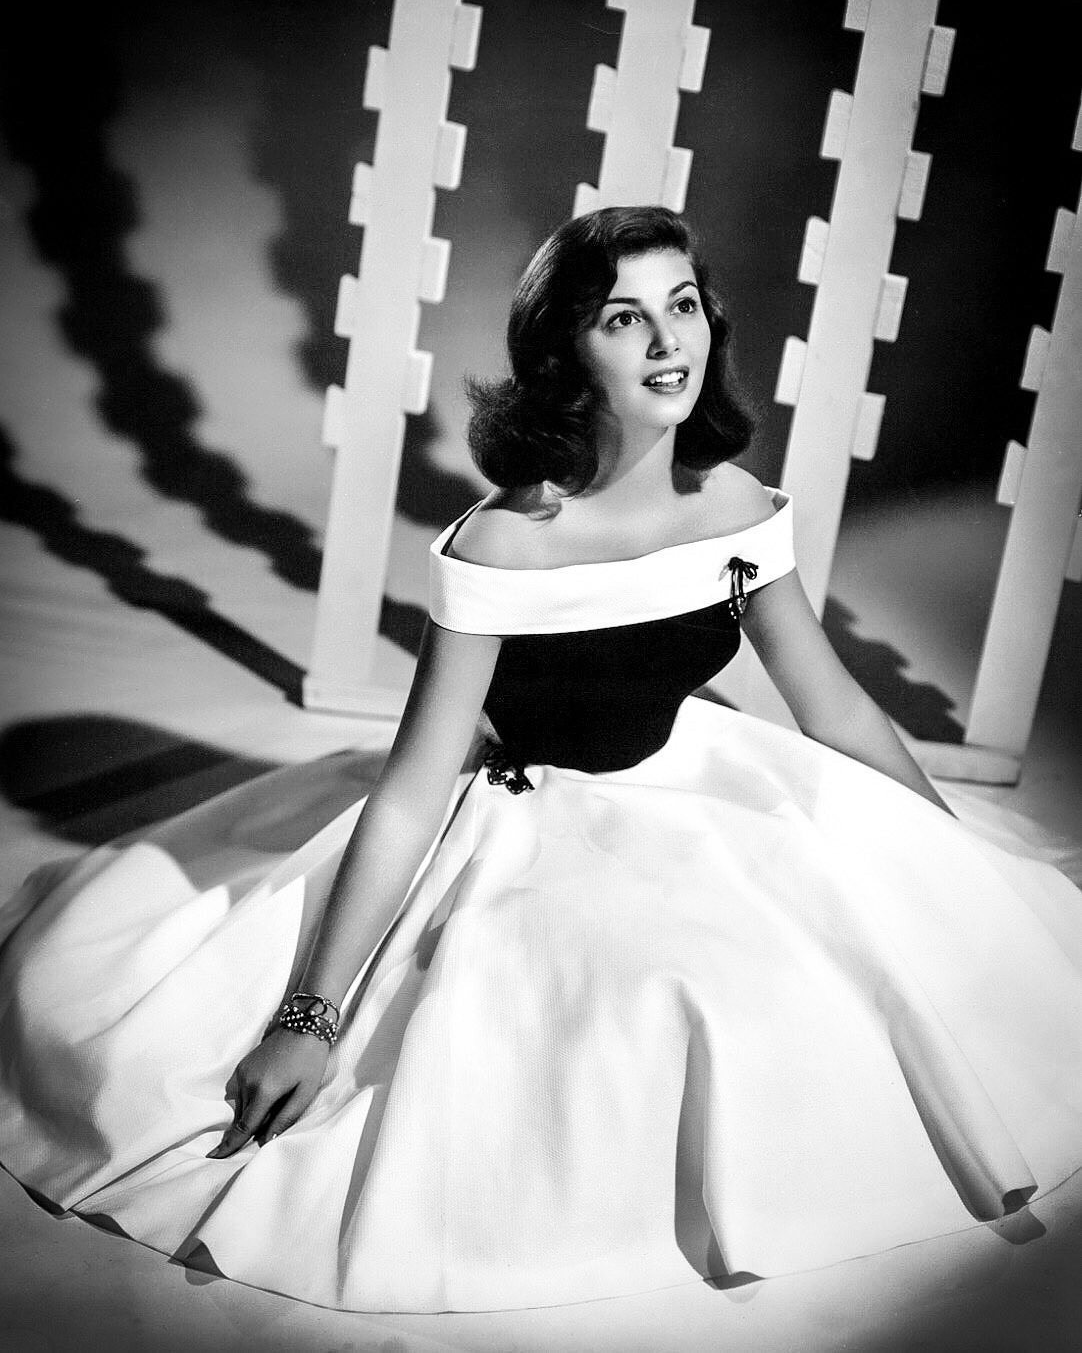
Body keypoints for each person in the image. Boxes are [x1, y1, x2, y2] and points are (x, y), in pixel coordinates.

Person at [1, 205, 1080, 1315]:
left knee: (826, 988)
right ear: (565, 352)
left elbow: (835, 709)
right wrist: (308, 1020)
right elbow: (415, 783)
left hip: (701, 788)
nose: (669, 341)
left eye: (681, 306)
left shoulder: (738, 505)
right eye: (625, 317)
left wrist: (953, 864)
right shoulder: (504, 542)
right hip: (524, 819)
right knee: (627, 1022)